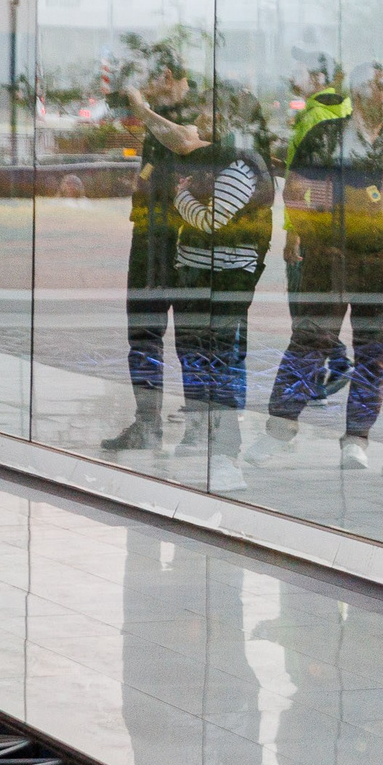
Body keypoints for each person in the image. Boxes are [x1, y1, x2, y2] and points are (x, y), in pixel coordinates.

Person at [255, 63, 383, 469]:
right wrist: (331, 214)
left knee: (375, 353)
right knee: (310, 342)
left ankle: (357, 439)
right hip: (330, 258)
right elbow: (297, 190)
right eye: (381, 89)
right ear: (359, 91)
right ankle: (279, 431)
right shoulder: (327, 136)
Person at [167, 97, 274, 495]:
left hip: (226, 277)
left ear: (227, 121)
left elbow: (212, 221)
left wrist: (180, 197)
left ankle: (226, 454)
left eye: (206, 114)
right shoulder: (214, 160)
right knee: (196, 353)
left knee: (221, 359)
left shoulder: (241, 165)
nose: (197, 120)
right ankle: (201, 432)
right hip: (198, 272)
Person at [101, 55, 201, 455]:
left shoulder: (197, 109)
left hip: (185, 240)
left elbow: (186, 141)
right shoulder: (159, 115)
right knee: (143, 332)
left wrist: (143, 109)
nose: (139, 95)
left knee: (193, 338)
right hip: (150, 240)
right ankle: (147, 425)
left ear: (166, 75)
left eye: (144, 84)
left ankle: (199, 430)